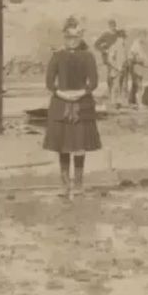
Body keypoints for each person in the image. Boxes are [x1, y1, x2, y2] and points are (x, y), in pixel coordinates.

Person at [43, 20, 101, 198]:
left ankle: (79, 183)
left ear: (81, 37)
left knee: (80, 145)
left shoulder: (88, 56)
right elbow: (49, 83)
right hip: (61, 105)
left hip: (82, 105)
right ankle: (65, 184)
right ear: (64, 36)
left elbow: (94, 81)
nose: (73, 40)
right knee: (63, 145)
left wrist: (82, 93)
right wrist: (62, 94)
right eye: (69, 37)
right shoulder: (57, 56)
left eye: (76, 37)